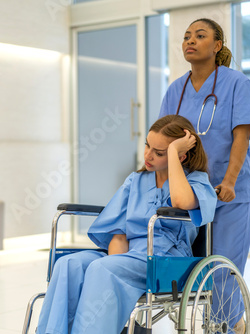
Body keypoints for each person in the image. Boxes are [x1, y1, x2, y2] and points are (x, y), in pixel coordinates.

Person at [36, 115, 217, 334]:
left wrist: (172, 152)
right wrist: (115, 264)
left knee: (102, 269)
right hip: (129, 254)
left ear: (180, 156)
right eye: (147, 146)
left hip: (164, 261)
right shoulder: (136, 181)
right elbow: (119, 233)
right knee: (69, 264)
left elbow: (180, 201)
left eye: (159, 153)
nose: (148, 156)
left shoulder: (197, 180)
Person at [158, 18, 250, 332]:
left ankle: (233, 327)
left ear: (216, 46)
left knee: (220, 272)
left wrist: (230, 181)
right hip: (190, 195)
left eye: (200, 36)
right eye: (186, 36)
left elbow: (241, 137)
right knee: (191, 273)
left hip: (228, 193)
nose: (190, 40)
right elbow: (162, 141)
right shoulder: (175, 89)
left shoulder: (236, 83)